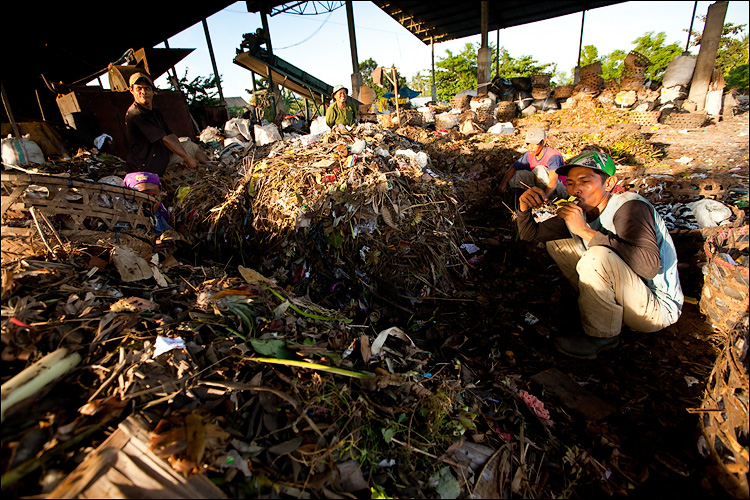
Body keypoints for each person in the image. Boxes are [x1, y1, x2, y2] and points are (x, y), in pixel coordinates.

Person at [515, 150, 683, 359]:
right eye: (571, 183)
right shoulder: (583, 211)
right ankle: (598, 306)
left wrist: (585, 231)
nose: (576, 190)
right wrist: (523, 208)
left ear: (610, 183)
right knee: (558, 244)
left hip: (655, 308)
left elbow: (649, 268)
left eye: (585, 181)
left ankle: (602, 336)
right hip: (627, 295)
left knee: (596, 257)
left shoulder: (629, 207)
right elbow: (530, 234)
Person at [125, 72, 209, 176]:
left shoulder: (155, 113)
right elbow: (165, 139)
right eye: (139, 88)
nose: (143, 92)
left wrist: (186, 154)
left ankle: (212, 170)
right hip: (146, 165)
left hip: (160, 156)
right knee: (187, 155)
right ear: (131, 90)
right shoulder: (136, 114)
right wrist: (187, 158)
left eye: (147, 88)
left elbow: (170, 136)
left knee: (191, 146)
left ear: (152, 91)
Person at [498, 128, 567, 199]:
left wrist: (544, 199)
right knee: (517, 175)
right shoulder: (529, 155)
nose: (530, 147)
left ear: (543, 142)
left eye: (534, 144)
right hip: (541, 187)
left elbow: (553, 182)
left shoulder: (553, 156)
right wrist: (504, 183)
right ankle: (519, 198)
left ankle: (544, 198)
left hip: (559, 189)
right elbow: (513, 168)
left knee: (539, 170)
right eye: (528, 144)